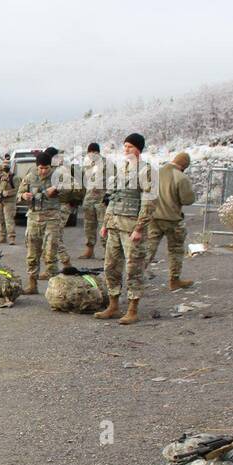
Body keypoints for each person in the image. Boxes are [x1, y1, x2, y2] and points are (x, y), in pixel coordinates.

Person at [95, 133, 151, 325]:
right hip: (114, 226)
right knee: (110, 266)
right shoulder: (121, 170)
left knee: (133, 268)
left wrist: (139, 228)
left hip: (131, 228)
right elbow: (113, 198)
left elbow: (148, 203)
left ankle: (133, 309)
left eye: (130, 146)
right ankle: (113, 305)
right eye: (125, 146)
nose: (126, 150)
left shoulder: (146, 171)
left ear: (139, 149)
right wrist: (105, 223)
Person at [143, 152, 195, 292]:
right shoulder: (181, 177)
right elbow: (188, 200)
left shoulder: (156, 174)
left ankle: (136, 276)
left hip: (153, 218)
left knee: (148, 249)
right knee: (176, 250)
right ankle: (174, 280)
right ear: (184, 166)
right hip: (172, 219)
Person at [17, 151, 62, 293]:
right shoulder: (30, 177)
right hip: (34, 218)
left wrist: (57, 189)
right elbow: (19, 195)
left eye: (46, 168)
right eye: (40, 168)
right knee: (32, 253)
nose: (43, 171)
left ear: (50, 166)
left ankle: (55, 289)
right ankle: (32, 284)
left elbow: (74, 190)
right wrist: (24, 195)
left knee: (50, 254)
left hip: (52, 219)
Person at [79, 142, 115, 258]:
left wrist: (109, 194)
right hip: (89, 199)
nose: (92, 155)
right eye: (90, 153)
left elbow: (115, 179)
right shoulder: (87, 164)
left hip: (102, 199)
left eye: (94, 152)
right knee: (89, 226)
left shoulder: (107, 163)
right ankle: (89, 250)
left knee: (103, 225)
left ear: (98, 152)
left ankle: (107, 252)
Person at [0, 163, 17, 245]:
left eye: (6, 166)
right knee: (0, 219)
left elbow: (18, 189)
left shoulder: (14, 177)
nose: (4, 168)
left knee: (9, 220)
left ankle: (12, 238)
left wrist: (8, 193)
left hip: (9, 202)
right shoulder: (0, 177)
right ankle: (2, 236)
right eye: (3, 166)